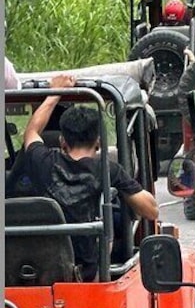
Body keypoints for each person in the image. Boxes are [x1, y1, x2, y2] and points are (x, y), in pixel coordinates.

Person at [18, 75, 159, 281]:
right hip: (85, 273)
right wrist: (121, 188)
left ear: (62, 141)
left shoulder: (43, 161)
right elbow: (151, 210)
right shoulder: (108, 170)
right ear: (99, 142)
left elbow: (31, 132)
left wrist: (54, 93)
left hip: (35, 269)